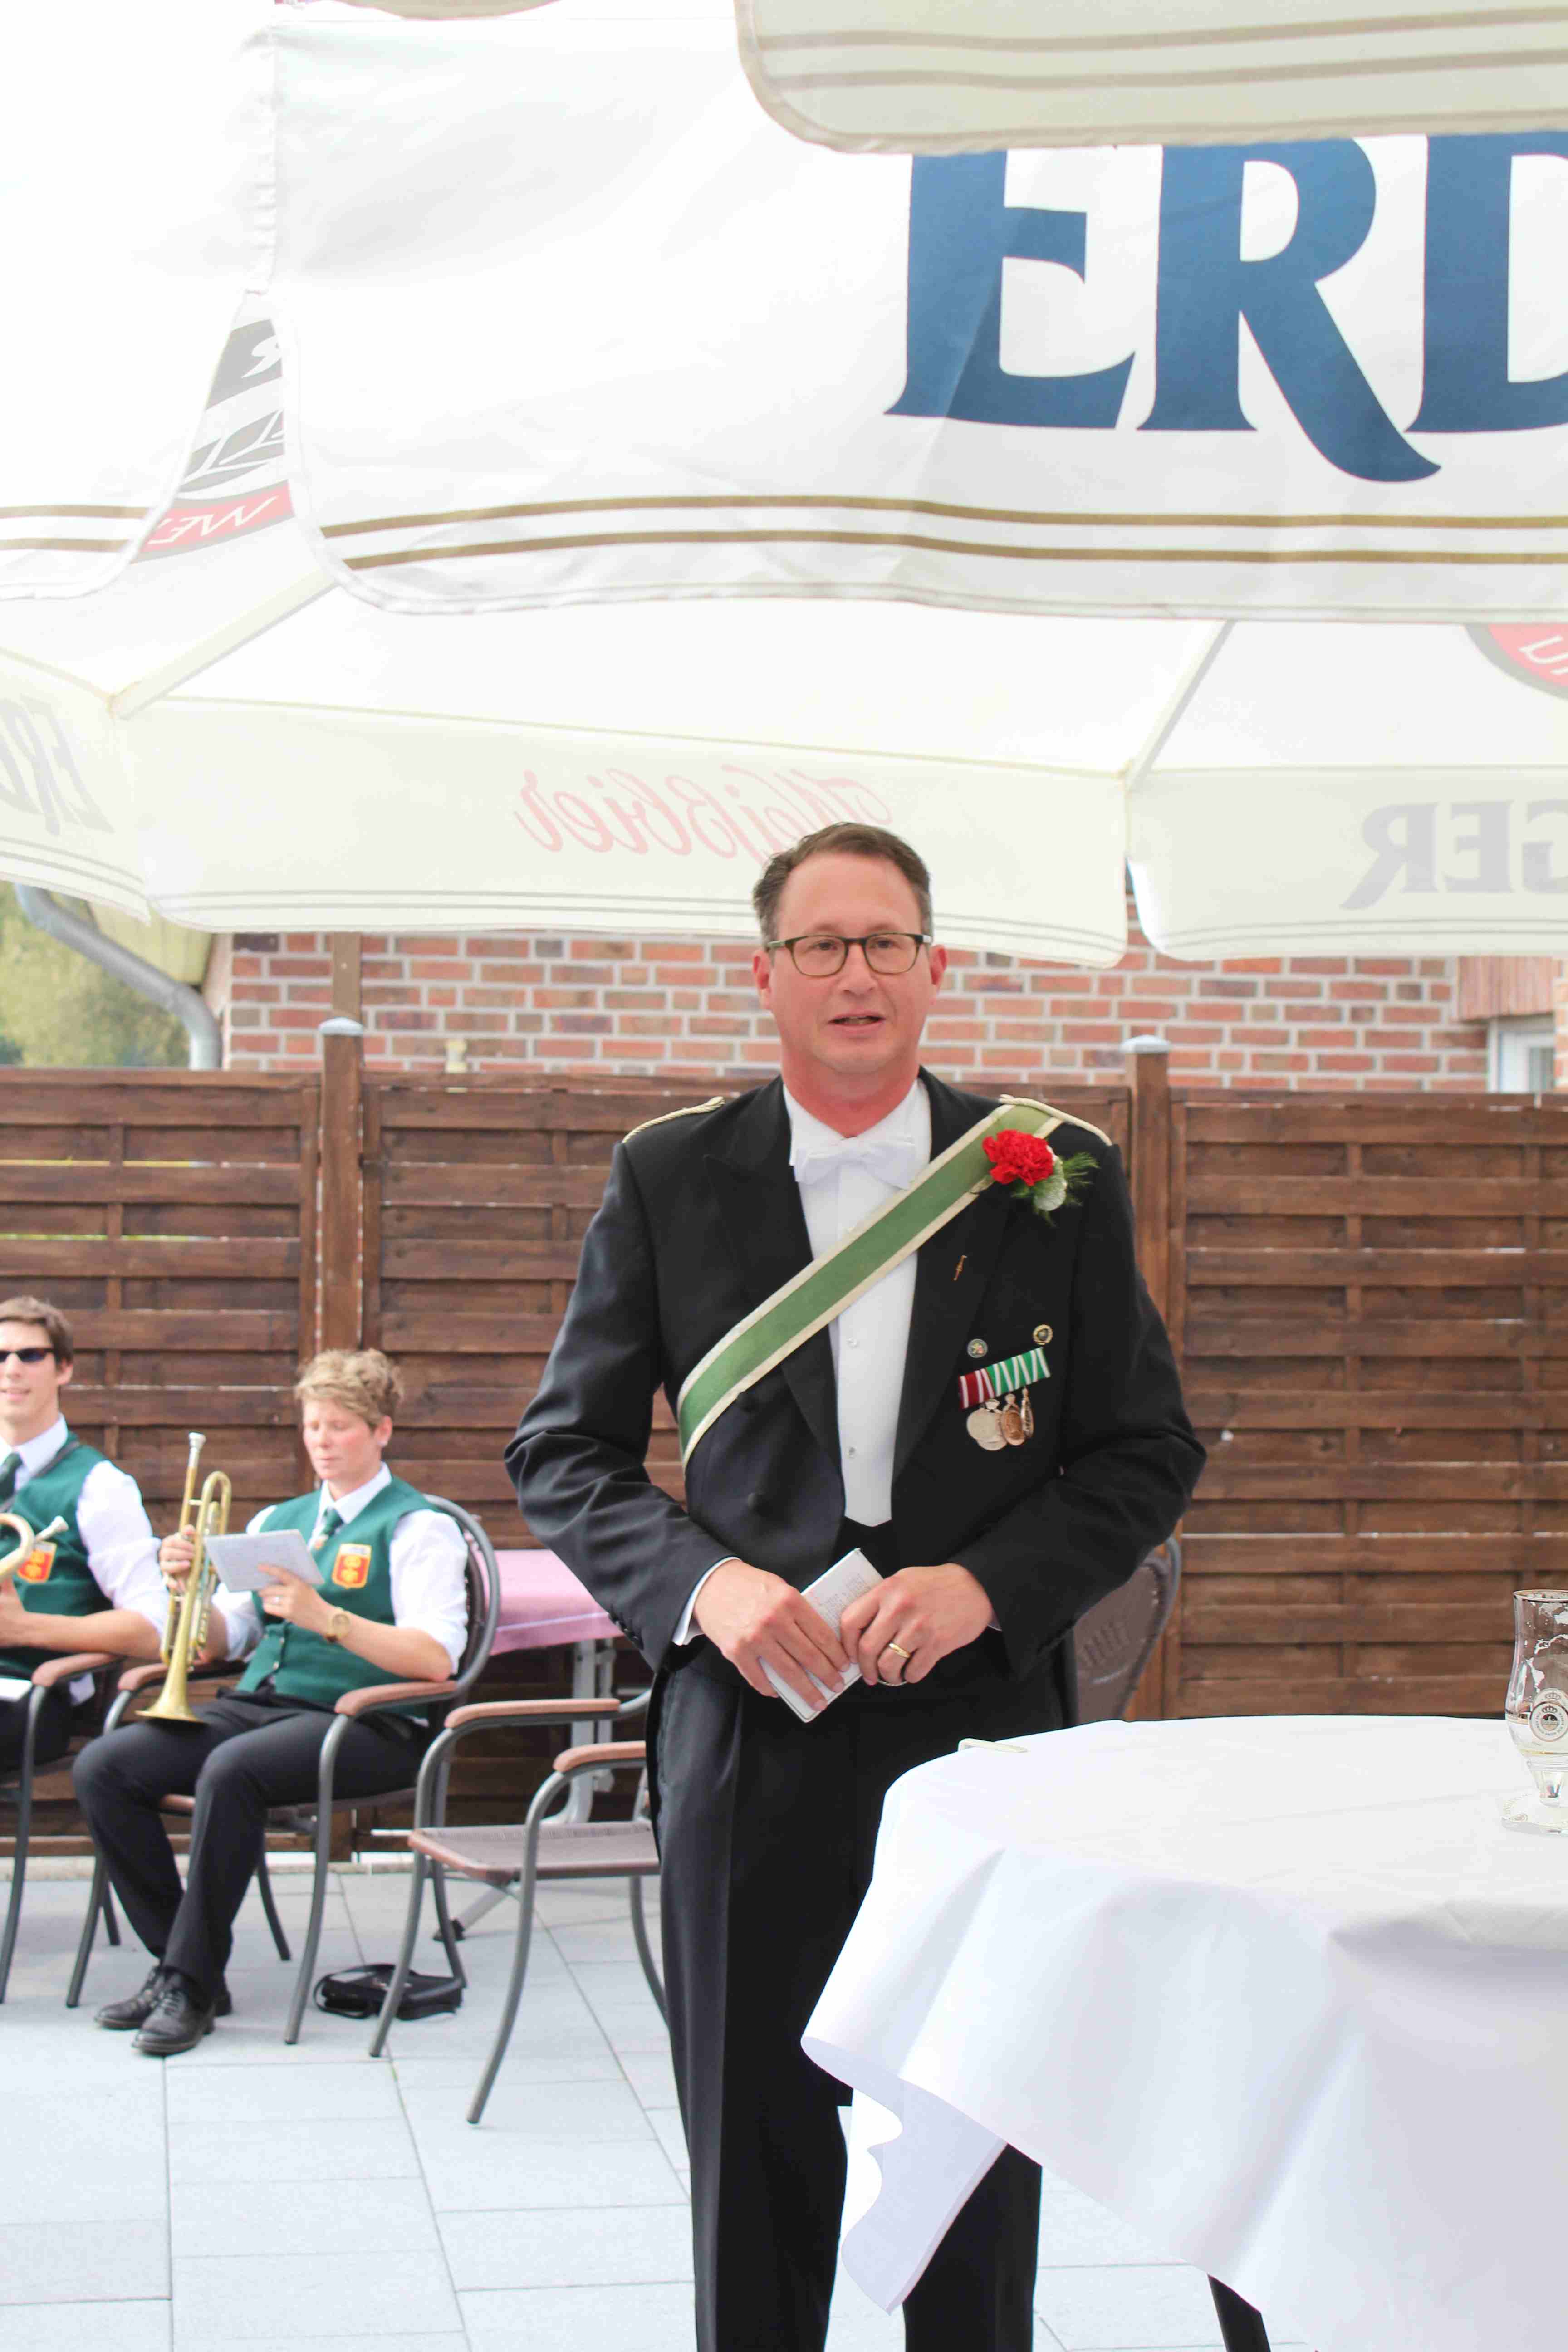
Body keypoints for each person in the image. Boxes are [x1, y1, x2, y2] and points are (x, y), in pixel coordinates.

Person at [506, 821, 1205, 2352]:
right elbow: (560, 1451)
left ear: (934, 968)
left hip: (981, 1733)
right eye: (819, 944)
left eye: (884, 941)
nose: (855, 972)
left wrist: (985, 1586)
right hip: (754, 1731)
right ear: (764, 975)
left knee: (976, 2154)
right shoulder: (670, 1173)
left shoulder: (1050, 1171)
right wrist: (705, 1587)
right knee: (751, 2151)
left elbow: (1146, 1449)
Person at [74, 1347, 468, 2058]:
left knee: (233, 1771)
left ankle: (188, 1986)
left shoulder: (418, 1527)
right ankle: (182, 1967)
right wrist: (186, 1589)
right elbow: (229, 1636)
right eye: (313, 1426)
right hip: (262, 1704)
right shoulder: (276, 1521)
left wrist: (329, 1618)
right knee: (105, 1767)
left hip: (369, 1722)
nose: (322, 1441)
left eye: (340, 1426)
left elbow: (437, 1658)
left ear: (381, 1431)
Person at [0, 1295, 167, 1768]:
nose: (12, 1369)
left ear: (64, 1369)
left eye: (31, 1355)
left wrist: (26, 1628)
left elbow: (155, 1627)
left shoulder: (101, 1487)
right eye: (1, 1356)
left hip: (30, 1693)